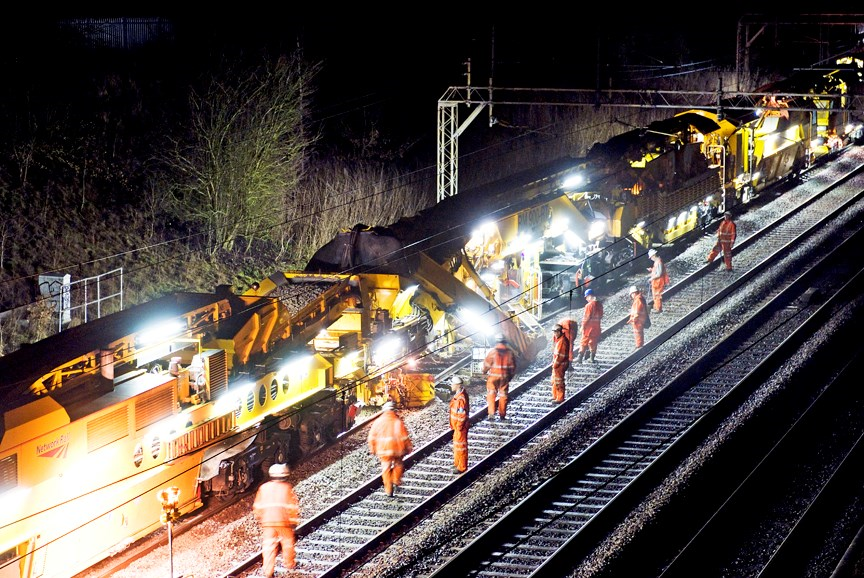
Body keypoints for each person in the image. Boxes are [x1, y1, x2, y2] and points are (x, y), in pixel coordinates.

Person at [253, 463, 300, 578]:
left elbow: (257, 507)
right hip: (283, 521)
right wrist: (293, 522)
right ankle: (289, 564)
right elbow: (292, 507)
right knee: (288, 542)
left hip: (268, 522)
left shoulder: (263, 488)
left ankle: (268, 572)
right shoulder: (287, 487)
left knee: (268, 546)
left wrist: (260, 518)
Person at [367, 401, 413, 497]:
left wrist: (372, 448)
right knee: (399, 464)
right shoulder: (397, 422)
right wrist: (408, 447)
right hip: (397, 449)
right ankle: (396, 480)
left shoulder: (378, 422)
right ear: (394, 411)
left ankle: (388, 490)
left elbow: (371, 437)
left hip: (383, 450)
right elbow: (404, 437)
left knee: (386, 468)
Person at [482, 333, 517, 420]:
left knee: (491, 394)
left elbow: (486, 364)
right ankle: (502, 415)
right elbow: (513, 367)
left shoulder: (493, 352)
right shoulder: (510, 353)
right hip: (504, 378)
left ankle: (491, 413)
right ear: (505, 341)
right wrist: (509, 377)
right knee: (503, 396)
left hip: (493, 377)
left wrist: (484, 371)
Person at [448, 375, 470, 474]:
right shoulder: (458, 396)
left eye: (452, 384)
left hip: (460, 427)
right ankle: (457, 463)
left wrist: (459, 426)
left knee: (461, 447)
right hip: (457, 427)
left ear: (457, 385)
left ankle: (462, 467)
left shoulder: (461, 399)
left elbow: (462, 414)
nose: (451, 386)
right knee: (457, 446)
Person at [577, 288, 603, 363]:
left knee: (583, 342)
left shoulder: (589, 305)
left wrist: (582, 326)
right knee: (593, 342)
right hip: (596, 328)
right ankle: (592, 358)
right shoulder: (599, 304)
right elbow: (601, 315)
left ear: (589, 296)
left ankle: (580, 358)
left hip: (588, 328)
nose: (586, 299)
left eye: (586, 297)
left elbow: (586, 317)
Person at [551, 324, 570, 403]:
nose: (555, 334)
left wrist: (555, 365)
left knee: (559, 381)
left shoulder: (562, 341)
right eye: (554, 332)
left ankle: (560, 398)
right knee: (554, 380)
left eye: (556, 332)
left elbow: (560, 356)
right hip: (557, 364)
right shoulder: (559, 340)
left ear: (560, 332)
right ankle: (555, 396)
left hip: (560, 365)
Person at [626, 285, 649, 349]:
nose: (631, 296)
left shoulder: (638, 300)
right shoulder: (639, 299)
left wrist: (633, 319)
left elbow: (637, 312)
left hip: (638, 320)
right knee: (638, 332)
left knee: (638, 332)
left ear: (634, 293)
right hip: (639, 319)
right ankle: (639, 344)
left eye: (631, 295)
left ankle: (639, 345)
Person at [647, 248, 669, 313]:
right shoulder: (656, 262)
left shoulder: (658, 262)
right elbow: (656, 271)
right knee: (655, 295)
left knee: (657, 295)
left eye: (651, 257)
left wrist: (651, 278)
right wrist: (651, 270)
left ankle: (658, 309)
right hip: (656, 282)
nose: (651, 258)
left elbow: (659, 274)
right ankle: (656, 307)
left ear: (654, 255)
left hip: (658, 282)